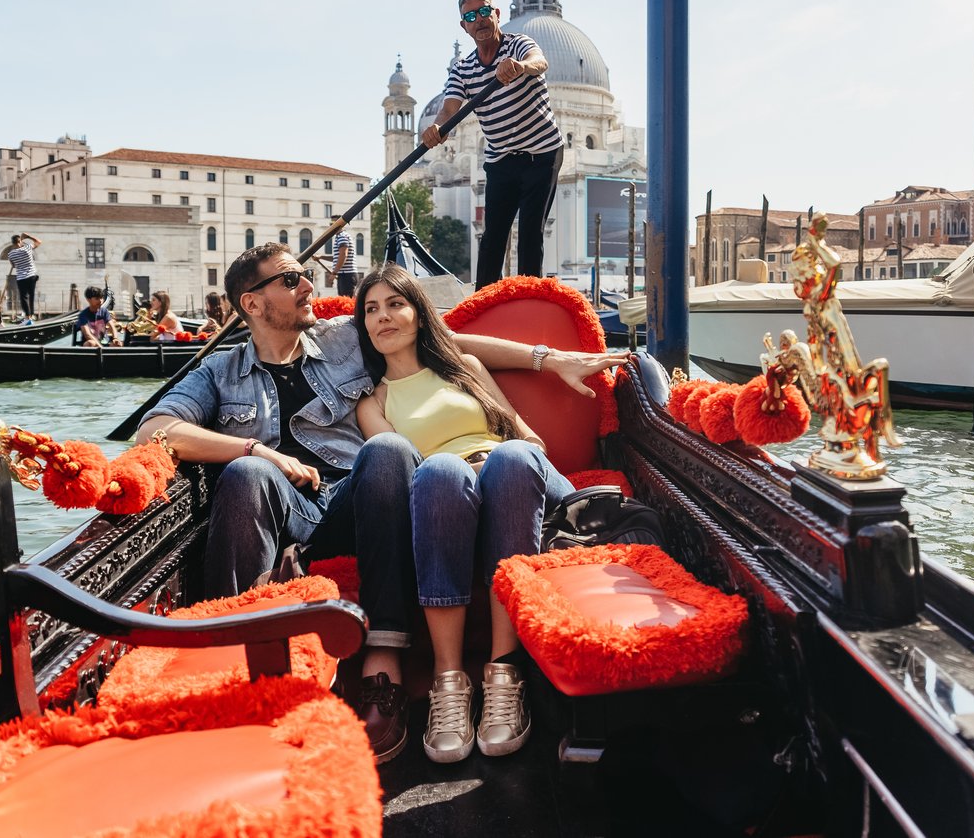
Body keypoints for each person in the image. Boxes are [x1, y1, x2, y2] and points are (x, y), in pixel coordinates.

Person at [137, 242, 625, 763]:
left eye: (305, 276)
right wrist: (255, 448)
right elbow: (155, 430)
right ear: (252, 304)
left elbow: (448, 343)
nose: (309, 287)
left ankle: (383, 664)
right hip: (292, 505)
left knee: (389, 449)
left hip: (365, 494)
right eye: (289, 280)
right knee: (245, 472)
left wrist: (549, 358)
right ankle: (233, 661)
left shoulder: (342, 337)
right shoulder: (218, 372)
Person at [354, 264, 570, 762]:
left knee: (513, 458)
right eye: (371, 309)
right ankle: (449, 684)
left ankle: (504, 673)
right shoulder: (373, 402)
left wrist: (492, 459)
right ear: (363, 326)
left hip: (511, 473)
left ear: (418, 313)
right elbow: (401, 470)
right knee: (441, 472)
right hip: (442, 492)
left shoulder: (466, 367)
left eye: (394, 304)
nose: (383, 317)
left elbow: (525, 436)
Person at [422, 0, 563, 289]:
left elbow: (540, 61)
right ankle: (484, 302)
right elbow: (449, 111)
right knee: (492, 238)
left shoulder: (519, 44)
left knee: (530, 233)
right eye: (471, 16)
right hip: (501, 159)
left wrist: (519, 67)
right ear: (465, 26)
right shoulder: (463, 70)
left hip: (542, 153)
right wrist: (437, 129)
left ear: (497, 14)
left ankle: (528, 298)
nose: (480, 20)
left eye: (484, 12)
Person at [6, 233, 42, 323]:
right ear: (20, 241)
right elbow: (39, 242)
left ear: (13, 243)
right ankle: (32, 314)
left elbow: (13, 265)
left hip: (21, 278)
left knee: (23, 297)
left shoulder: (10, 254)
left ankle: (28, 316)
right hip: (31, 276)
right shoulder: (28, 247)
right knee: (31, 295)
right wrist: (28, 237)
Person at [332, 227, 358, 297]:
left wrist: (334, 272)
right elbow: (337, 258)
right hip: (345, 275)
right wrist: (321, 257)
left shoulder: (342, 236)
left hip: (347, 275)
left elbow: (343, 255)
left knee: (347, 302)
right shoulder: (340, 237)